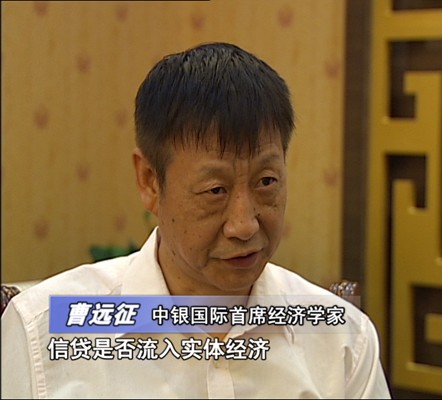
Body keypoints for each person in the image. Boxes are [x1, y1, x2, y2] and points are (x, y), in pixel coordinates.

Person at [1, 42, 391, 399]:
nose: (244, 225)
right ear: (150, 181)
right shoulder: (42, 331)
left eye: (266, 182)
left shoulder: (342, 339)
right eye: (215, 190)